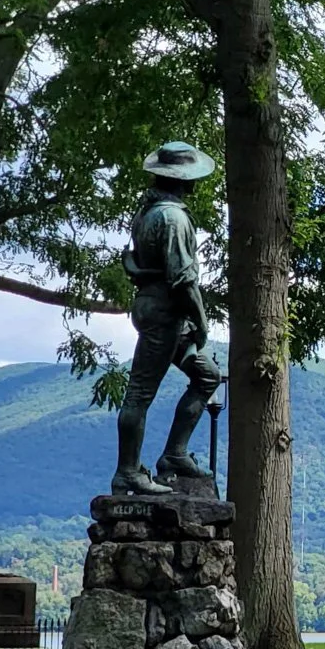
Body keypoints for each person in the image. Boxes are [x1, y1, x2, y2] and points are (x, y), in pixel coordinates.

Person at [113, 141, 220, 496]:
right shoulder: (171, 218)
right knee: (140, 394)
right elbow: (182, 278)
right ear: (182, 179)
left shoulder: (150, 211)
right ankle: (127, 471)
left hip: (159, 308)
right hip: (164, 312)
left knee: (207, 376)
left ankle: (174, 453)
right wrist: (201, 320)